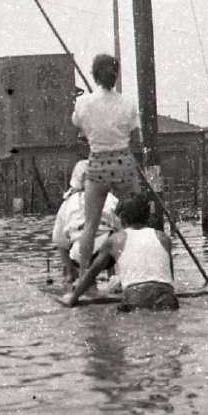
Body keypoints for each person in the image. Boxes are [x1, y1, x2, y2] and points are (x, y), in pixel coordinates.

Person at [71, 54, 141, 279]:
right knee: (133, 222)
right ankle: (130, 274)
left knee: (90, 225)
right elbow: (136, 138)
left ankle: (84, 278)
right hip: (122, 162)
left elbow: (77, 126)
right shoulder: (128, 102)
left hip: (97, 163)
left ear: (94, 75)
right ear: (116, 75)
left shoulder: (83, 103)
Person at [69, 193, 178, 311]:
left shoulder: (115, 239)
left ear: (122, 217)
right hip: (167, 296)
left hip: (135, 297)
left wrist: (73, 298)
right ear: (147, 215)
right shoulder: (163, 237)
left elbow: (91, 274)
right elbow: (169, 279)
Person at [51, 160, 120, 282]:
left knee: (63, 243)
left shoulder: (67, 203)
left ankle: (72, 274)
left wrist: (68, 266)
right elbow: (121, 228)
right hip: (106, 256)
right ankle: (113, 276)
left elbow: (59, 240)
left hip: (78, 256)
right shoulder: (110, 198)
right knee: (114, 235)